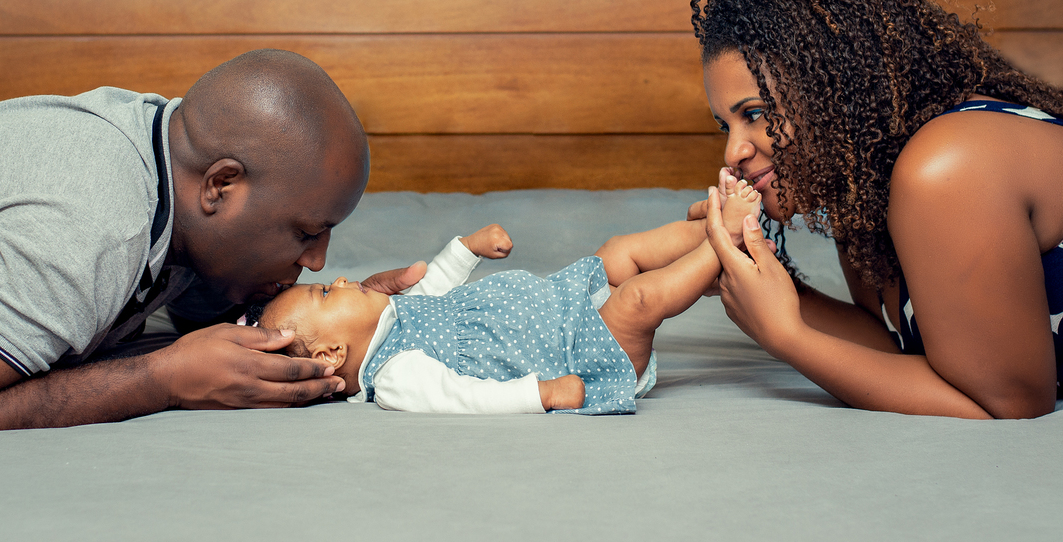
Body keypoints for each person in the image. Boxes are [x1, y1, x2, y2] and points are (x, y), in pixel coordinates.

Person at [0, 49, 421, 431]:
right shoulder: (96, 218)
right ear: (222, 185)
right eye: (305, 231)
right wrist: (163, 380)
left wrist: (335, 318)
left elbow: (191, 314)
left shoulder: (169, 158)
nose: (319, 260)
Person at [690, 0, 1063, 419]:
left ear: (832, 88)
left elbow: (1011, 403)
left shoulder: (948, 168)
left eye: (756, 113)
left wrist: (787, 338)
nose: (734, 152)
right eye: (727, 126)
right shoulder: (861, 180)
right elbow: (890, 345)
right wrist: (754, 275)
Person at [248, 175, 762, 414]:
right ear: (330, 354)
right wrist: (542, 394)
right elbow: (465, 399)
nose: (338, 280)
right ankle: (725, 244)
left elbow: (435, 284)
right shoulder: (395, 376)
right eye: (322, 293)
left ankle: (707, 228)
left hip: (563, 303)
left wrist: (467, 247)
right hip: (579, 353)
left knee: (619, 253)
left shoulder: (398, 313)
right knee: (638, 302)